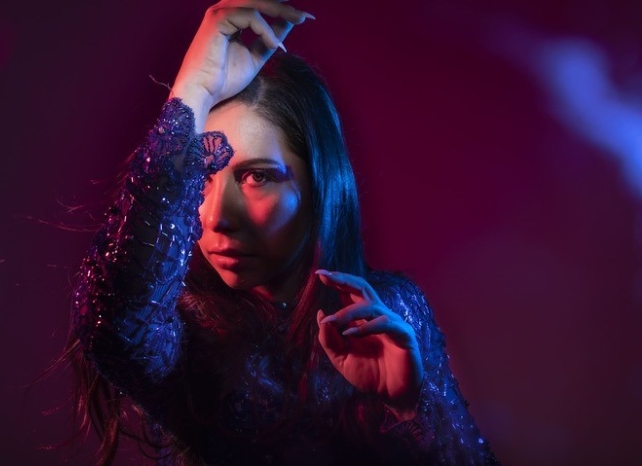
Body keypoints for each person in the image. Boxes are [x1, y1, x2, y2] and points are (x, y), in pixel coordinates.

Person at [67, 1, 500, 464]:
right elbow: (114, 325)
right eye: (201, 176)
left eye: (257, 177)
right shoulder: (185, 331)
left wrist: (410, 409)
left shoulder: (394, 308)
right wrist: (194, 88)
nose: (215, 217)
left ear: (320, 185)